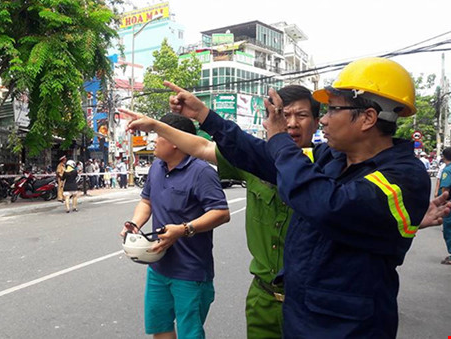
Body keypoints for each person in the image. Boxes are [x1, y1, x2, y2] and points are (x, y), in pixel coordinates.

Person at [123, 84, 451, 339]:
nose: (324, 119)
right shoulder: (331, 159)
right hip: (302, 311)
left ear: (367, 118)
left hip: (343, 325)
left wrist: (278, 140)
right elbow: (261, 157)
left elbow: (326, 204)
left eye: (333, 109)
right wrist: (207, 117)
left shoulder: (403, 175)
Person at [121, 85, 320, 339]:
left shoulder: (329, 166)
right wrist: (160, 125)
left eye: (300, 116)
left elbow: (220, 211)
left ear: (317, 122)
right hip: (263, 296)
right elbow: (204, 147)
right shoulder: (256, 161)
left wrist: (185, 230)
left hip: (310, 298)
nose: (290, 124)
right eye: (282, 115)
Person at [120, 113, 230, 339]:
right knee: (159, 328)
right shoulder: (157, 167)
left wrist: (183, 229)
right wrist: (135, 223)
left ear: (174, 141)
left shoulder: (202, 172)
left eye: (158, 135)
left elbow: (221, 213)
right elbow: (146, 200)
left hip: (191, 272)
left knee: (190, 333)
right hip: (158, 268)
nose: (153, 141)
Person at [438, 147, 451, 264]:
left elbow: (445, 189)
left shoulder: (448, 170)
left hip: (449, 204)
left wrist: (442, 202)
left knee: (449, 230)